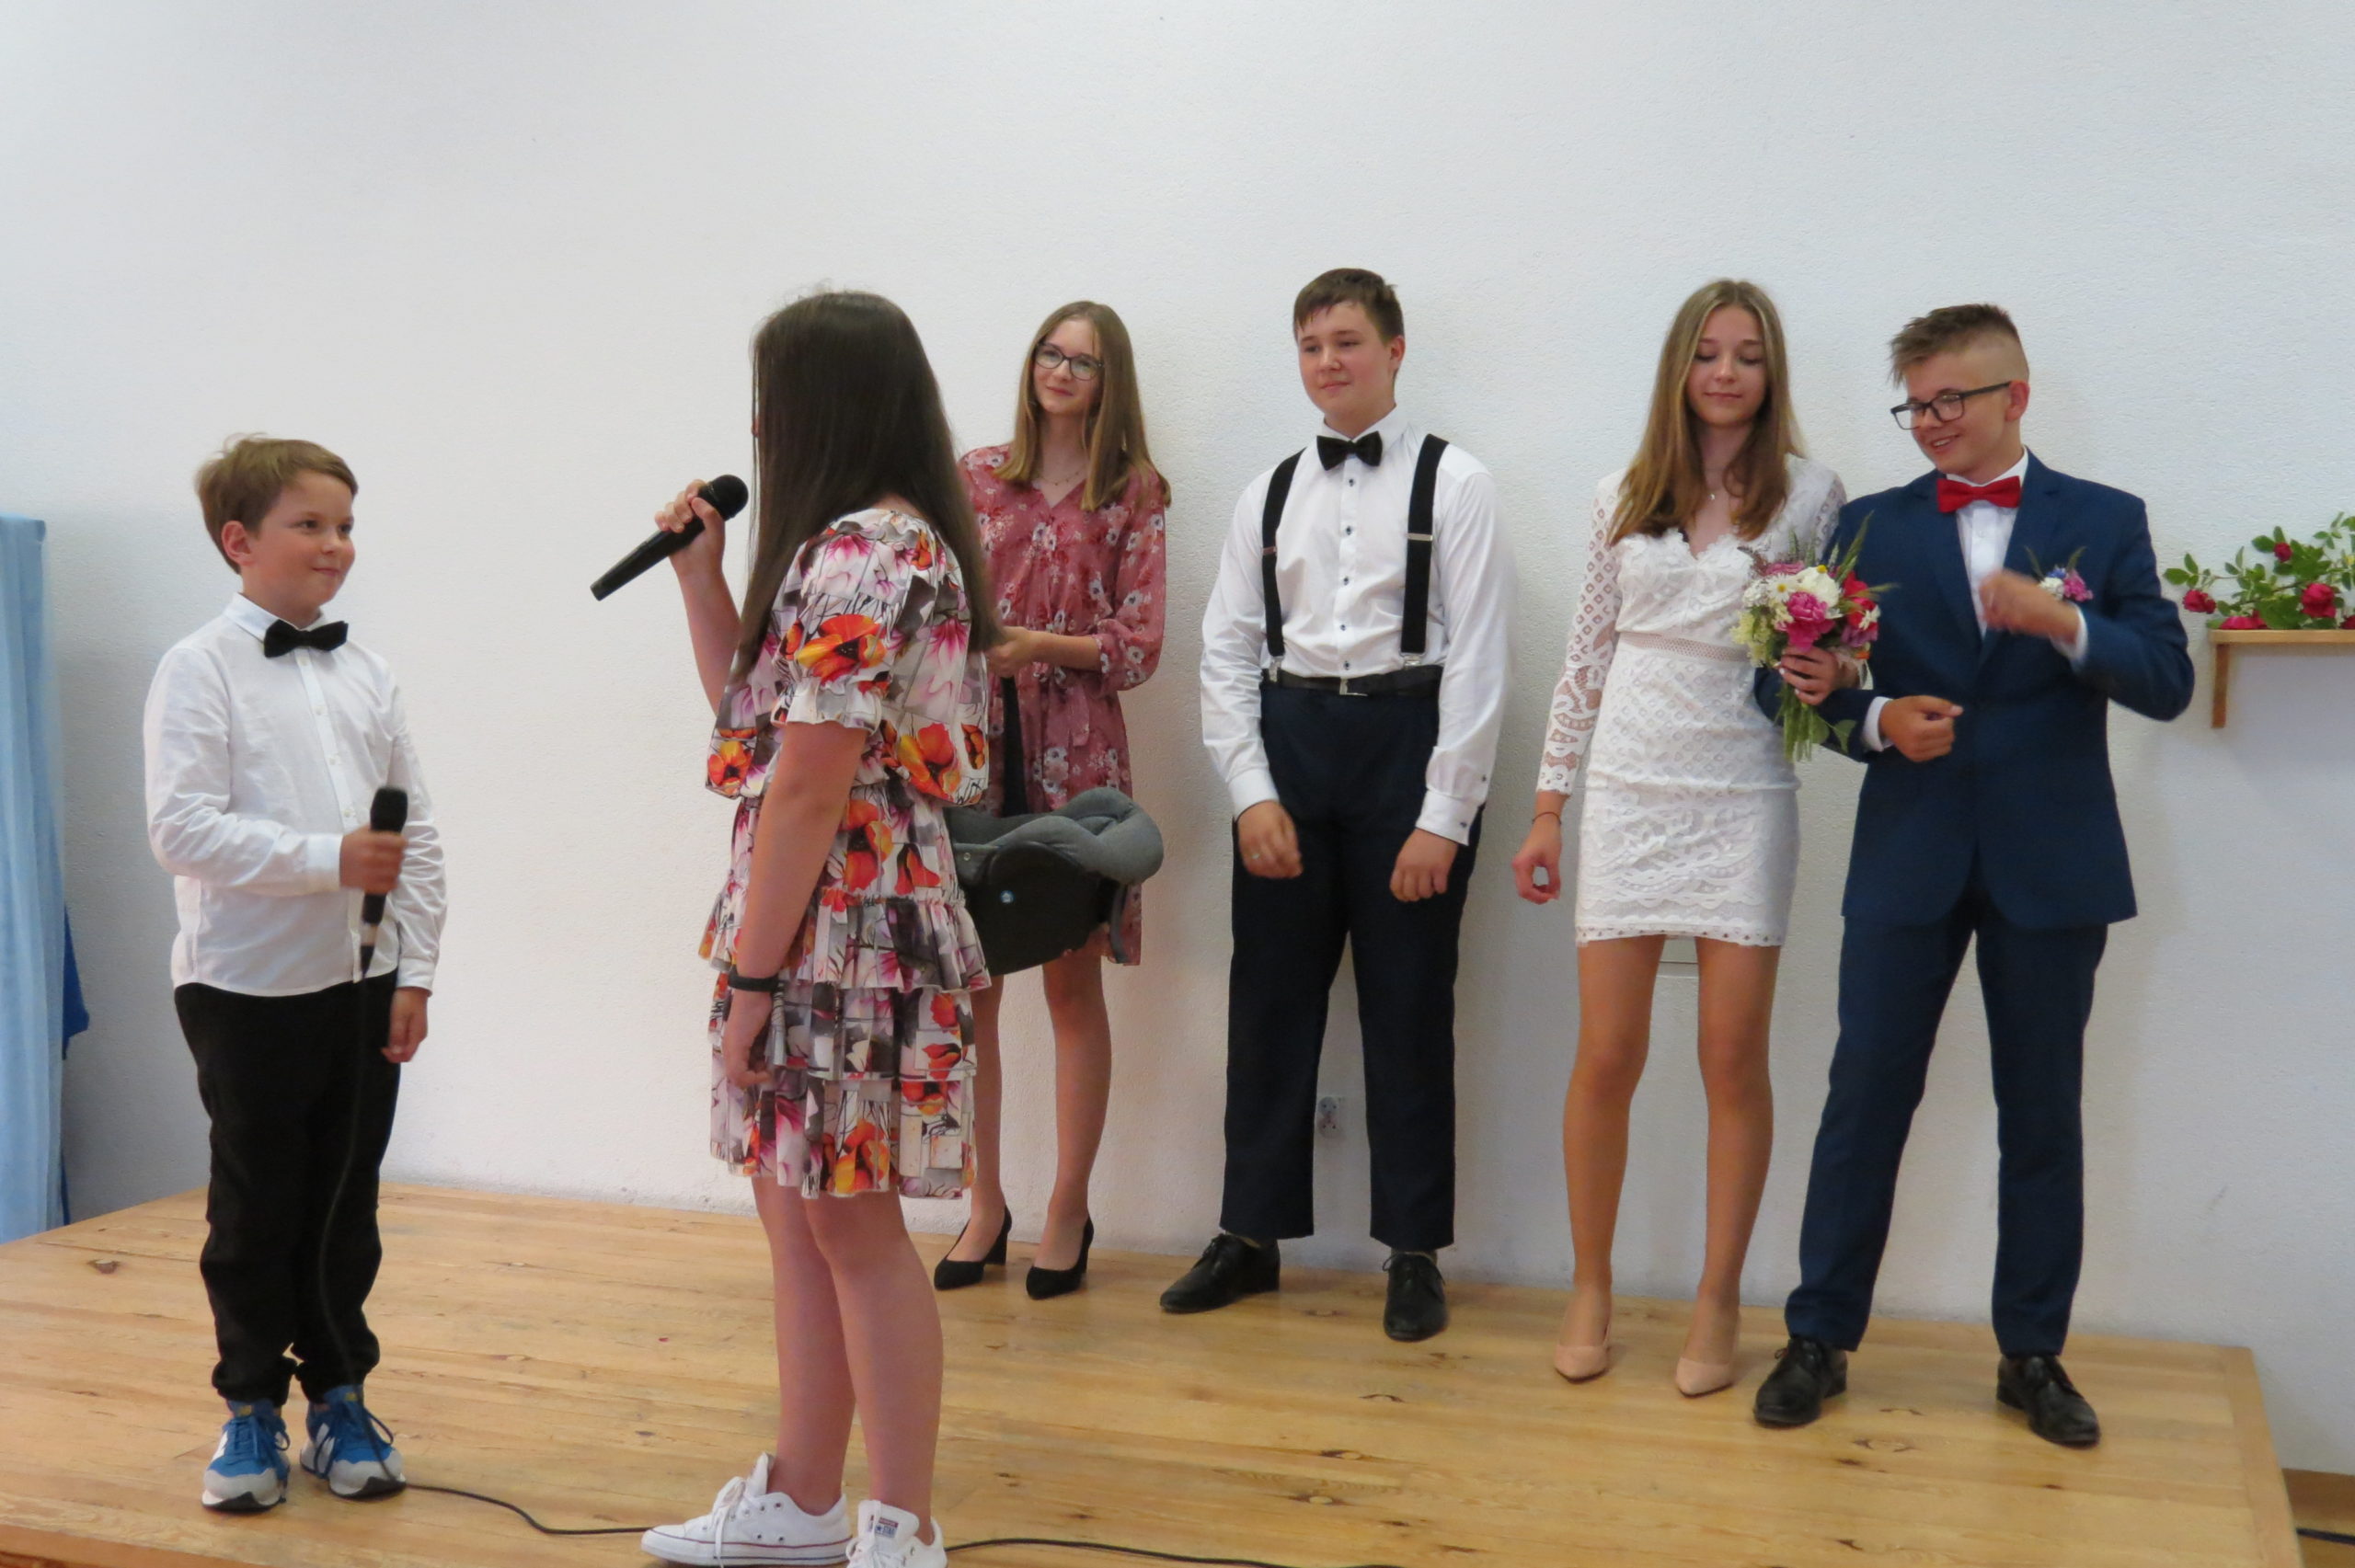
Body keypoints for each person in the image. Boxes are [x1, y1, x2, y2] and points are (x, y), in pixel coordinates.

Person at [1751, 303, 2193, 1446]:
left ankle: (2031, 1354)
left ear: (2016, 396)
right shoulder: (1869, 523)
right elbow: (1783, 674)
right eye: (1915, 405)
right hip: (1910, 855)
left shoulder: (2103, 520)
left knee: (2041, 1113)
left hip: (2053, 861)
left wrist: (2063, 624)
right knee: (1862, 1100)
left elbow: (2165, 680)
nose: (1932, 421)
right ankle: (1818, 1335)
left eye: (1951, 398)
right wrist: (1874, 718)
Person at [639, 292, 994, 1568]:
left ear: (817, 409)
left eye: (769, 401)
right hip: (818, 915)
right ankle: (801, 1500)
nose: (756, 427)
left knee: (849, 1223)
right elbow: (754, 729)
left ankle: (900, 1524)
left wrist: (751, 978)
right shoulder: (846, 551)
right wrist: (703, 578)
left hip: (846, 928)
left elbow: (807, 785)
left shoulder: (866, 554)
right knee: (796, 1212)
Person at [1511, 280, 1844, 1398]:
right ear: (1679, 367)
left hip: (1743, 791)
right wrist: (1549, 807)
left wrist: (1838, 667)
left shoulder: (1811, 494)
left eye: (1747, 354)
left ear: (1770, 371)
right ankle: (1590, 1285)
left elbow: (1845, 646)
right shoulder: (1622, 492)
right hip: (1629, 786)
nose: (1726, 373)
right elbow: (1583, 658)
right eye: (1707, 353)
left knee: (1729, 1055)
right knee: (1607, 1052)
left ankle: (1717, 1295)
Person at [1173, 268, 1511, 1342]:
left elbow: (1480, 661)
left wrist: (1443, 815)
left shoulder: (1457, 483)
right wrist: (1249, 793)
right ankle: (1249, 1232)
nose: (1328, 361)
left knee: (1408, 1008)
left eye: (1348, 341)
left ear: (1395, 351)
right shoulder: (1267, 493)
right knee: (1268, 1003)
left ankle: (1413, 1250)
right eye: (1312, 344)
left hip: (1408, 747)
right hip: (1291, 748)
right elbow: (1226, 651)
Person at [144, 436, 445, 1512]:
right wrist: (329, 859)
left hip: (362, 981)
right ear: (239, 540)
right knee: (256, 1205)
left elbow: (417, 834)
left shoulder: (370, 674)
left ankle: (341, 1396)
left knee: (345, 1203)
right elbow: (181, 829)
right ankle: (248, 1408)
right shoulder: (197, 668)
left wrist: (415, 969)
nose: (335, 545)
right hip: (244, 986)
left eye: (346, 526)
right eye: (309, 524)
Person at [936, 301, 1168, 1300]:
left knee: (1073, 990)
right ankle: (984, 1205)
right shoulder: (977, 476)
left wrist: (1040, 645)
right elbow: (937, 603)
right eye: (1050, 352)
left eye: (1084, 360)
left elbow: (1140, 646)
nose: (1061, 371)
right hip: (975, 749)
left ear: (1112, 381)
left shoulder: (1135, 491)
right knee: (973, 991)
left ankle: (1068, 1207)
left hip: (1076, 755)